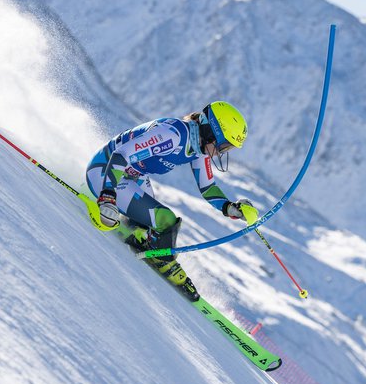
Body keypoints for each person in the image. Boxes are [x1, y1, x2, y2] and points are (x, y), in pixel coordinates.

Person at [85, 101, 259, 301]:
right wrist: (108, 195)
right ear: (211, 132)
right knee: (165, 220)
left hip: (132, 177)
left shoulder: (198, 148)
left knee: (150, 224)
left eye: (228, 149)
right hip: (104, 173)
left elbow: (208, 187)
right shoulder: (172, 135)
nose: (221, 153)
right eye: (223, 145)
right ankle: (161, 258)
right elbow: (120, 156)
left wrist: (231, 208)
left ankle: (146, 240)